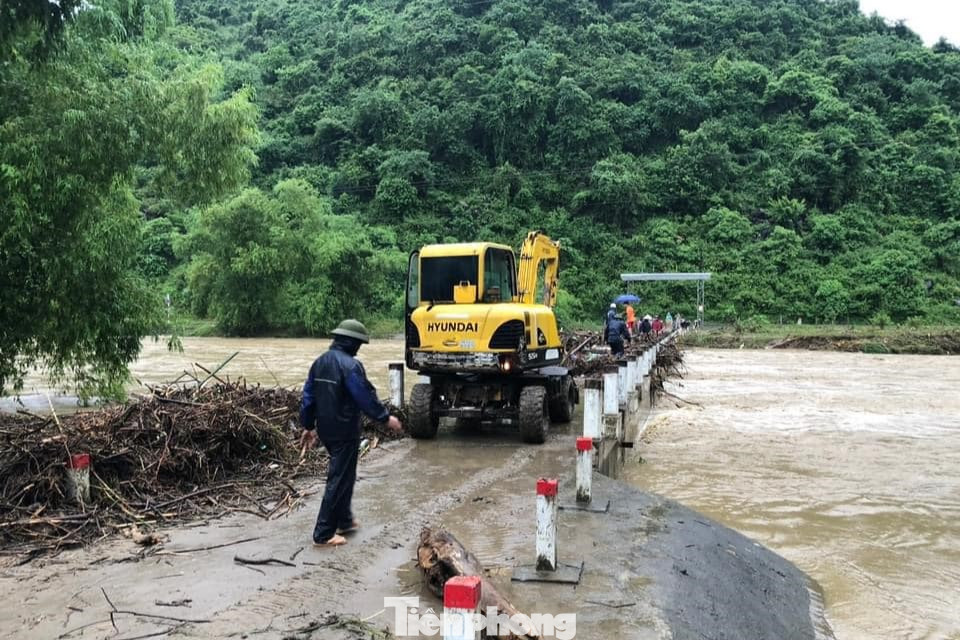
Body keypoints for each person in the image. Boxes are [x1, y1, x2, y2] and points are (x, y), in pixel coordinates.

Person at [299, 319, 403, 547]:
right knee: (339, 478)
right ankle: (323, 533)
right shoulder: (350, 366)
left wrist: (308, 426)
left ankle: (344, 520)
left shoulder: (319, 363)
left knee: (345, 474)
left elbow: (308, 396)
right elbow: (363, 396)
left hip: (326, 430)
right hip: (344, 430)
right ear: (352, 343)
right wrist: (386, 418)